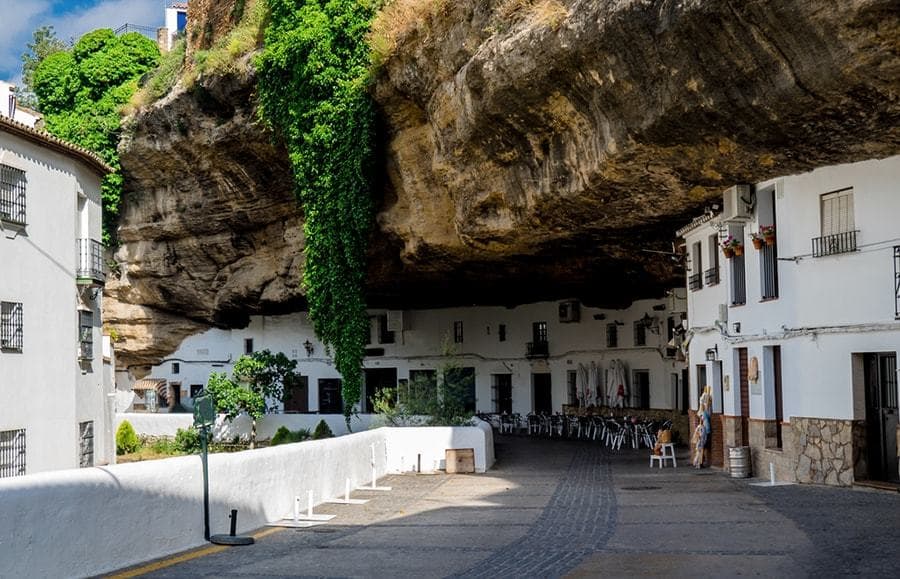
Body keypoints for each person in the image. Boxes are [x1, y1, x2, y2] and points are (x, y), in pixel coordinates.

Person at [693, 385, 713, 468]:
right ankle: (698, 462)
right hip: (704, 431)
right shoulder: (704, 413)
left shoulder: (702, 412)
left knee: (700, 448)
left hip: (703, 431)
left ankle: (698, 462)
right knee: (701, 448)